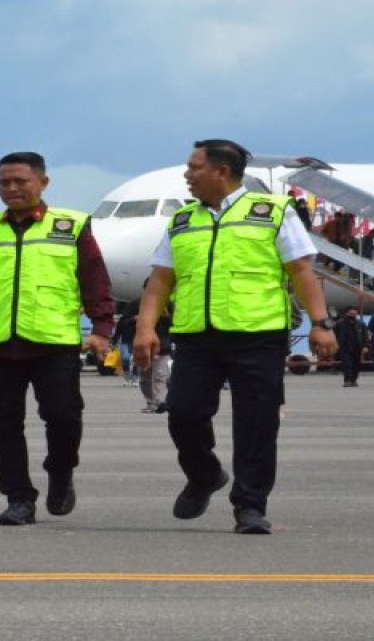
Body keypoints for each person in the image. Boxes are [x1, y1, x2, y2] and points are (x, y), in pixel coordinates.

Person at [134, 139, 338, 535]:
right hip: (196, 336)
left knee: (256, 425)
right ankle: (205, 474)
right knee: (183, 413)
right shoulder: (182, 220)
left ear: (221, 171)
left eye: (194, 167)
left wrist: (320, 323)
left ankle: (250, 505)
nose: (187, 175)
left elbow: (301, 271)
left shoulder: (273, 213)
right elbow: (160, 281)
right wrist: (145, 328)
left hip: (258, 336)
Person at [0, 151, 115, 526]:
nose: (11, 188)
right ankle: (19, 498)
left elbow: (95, 281)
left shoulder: (71, 227)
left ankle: (61, 471)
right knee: (3, 424)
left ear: (43, 183)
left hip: (54, 343)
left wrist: (102, 329)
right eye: (4, 182)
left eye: (20, 181)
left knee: (63, 416)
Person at [335, 306, 366, 388]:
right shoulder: (340, 324)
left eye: (354, 313)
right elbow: (334, 334)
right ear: (346, 314)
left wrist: (366, 346)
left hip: (357, 348)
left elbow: (365, 336)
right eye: (351, 313)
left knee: (356, 365)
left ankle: (354, 380)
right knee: (347, 364)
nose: (353, 315)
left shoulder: (360, 324)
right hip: (345, 348)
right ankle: (347, 380)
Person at [112, 301, 139, 386]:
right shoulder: (123, 319)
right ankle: (127, 377)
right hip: (125, 341)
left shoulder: (140, 318)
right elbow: (118, 331)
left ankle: (135, 378)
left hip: (136, 341)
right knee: (126, 358)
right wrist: (114, 341)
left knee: (136, 360)